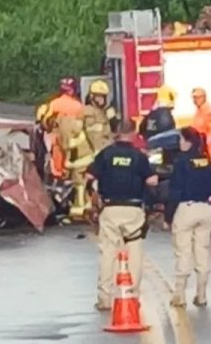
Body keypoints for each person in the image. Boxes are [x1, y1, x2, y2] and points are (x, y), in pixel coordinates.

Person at [86, 119, 159, 311]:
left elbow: (89, 177)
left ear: (116, 132)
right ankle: (132, 294)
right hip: (133, 209)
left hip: (110, 208)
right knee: (135, 253)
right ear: (133, 133)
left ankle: (104, 298)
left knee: (108, 254)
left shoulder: (106, 154)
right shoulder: (139, 156)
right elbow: (152, 180)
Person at [164, 127, 211, 308]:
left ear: (188, 141)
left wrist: (168, 216)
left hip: (186, 208)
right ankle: (202, 294)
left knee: (183, 252)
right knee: (202, 252)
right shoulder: (207, 160)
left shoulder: (181, 162)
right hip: (206, 209)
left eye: (181, 139)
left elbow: (175, 191)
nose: (179, 143)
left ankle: (179, 295)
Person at [190, 87, 211, 224]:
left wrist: (204, 144)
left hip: (210, 155)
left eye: (198, 97)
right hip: (201, 154)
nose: (195, 100)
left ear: (204, 97)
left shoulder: (210, 112)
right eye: (194, 97)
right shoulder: (199, 112)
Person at [83, 79, 116, 152]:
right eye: (99, 96)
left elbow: (115, 130)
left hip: (106, 149)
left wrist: (112, 118)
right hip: (93, 151)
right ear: (92, 96)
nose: (102, 99)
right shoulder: (86, 111)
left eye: (103, 96)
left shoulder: (106, 111)